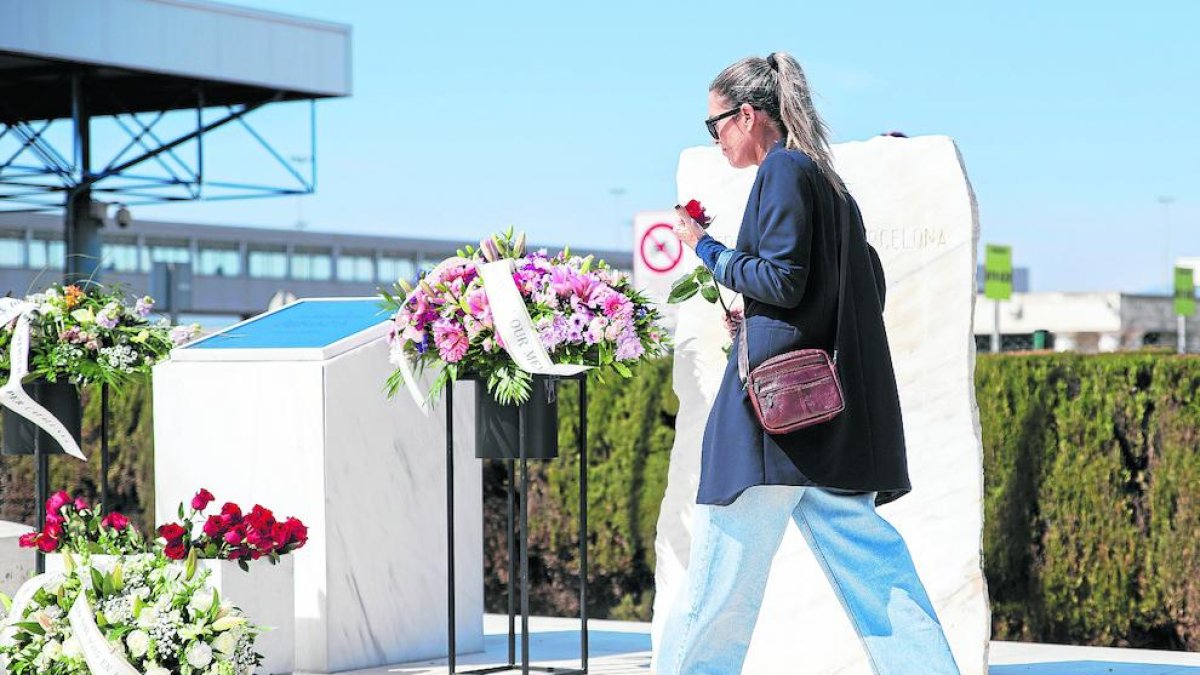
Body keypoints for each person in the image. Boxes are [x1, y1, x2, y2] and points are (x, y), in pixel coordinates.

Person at [659, 52, 961, 675]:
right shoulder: (829, 184)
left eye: (714, 124)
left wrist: (705, 248)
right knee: (880, 581)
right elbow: (863, 288)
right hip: (830, 425)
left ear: (746, 115)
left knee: (718, 596)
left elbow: (781, 278)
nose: (713, 139)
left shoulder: (783, 170)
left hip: (772, 428)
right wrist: (762, 319)